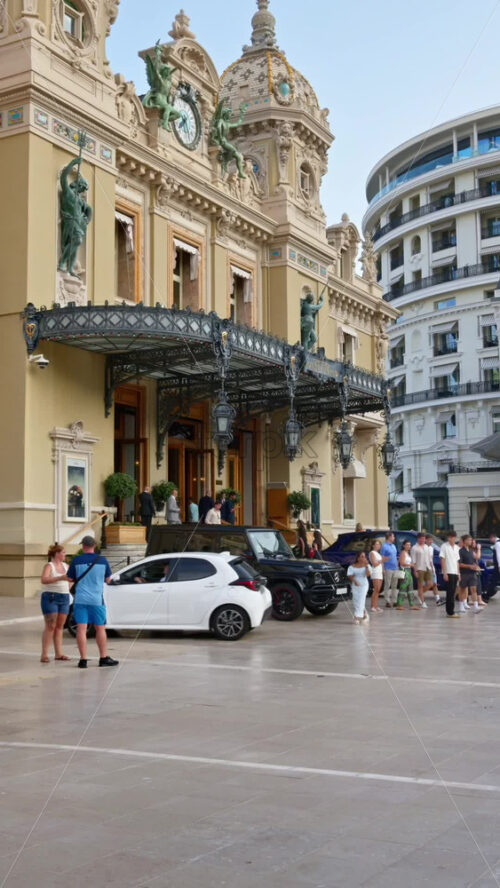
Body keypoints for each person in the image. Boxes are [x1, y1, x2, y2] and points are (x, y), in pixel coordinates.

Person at [66, 535, 118, 669]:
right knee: (100, 628)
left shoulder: (77, 560)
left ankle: (83, 660)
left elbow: (70, 579)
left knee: (81, 629)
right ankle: (103, 657)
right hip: (96, 600)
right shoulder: (102, 560)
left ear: (83, 546)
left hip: (80, 599)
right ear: (94, 546)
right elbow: (108, 580)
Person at [40, 544, 72, 663]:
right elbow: (44, 579)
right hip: (50, 596)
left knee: (60, 626)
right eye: (63, 552)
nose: (65, 554)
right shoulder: (49, 566)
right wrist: (60, 579)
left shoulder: (66, 566)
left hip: (64, 597)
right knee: (50, 625)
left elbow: (71, 579)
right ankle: (44, 654)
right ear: (57, 553)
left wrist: (68, 587)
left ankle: (59, 653)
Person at [458, 534, 483, 614]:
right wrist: (469, 566)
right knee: (462, 590)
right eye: (469, 540)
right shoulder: (460, 551)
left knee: (474, 590)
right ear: (464, 541)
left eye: (471, 540)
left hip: (472, 573)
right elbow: (459, 564)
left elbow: (476, 558)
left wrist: (475, 566)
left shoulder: (471, 550)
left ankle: (476, 607)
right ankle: (461, 606)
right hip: (464, 573)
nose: (471, 541)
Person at [439, 530, 460, 618]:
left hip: (455, 572)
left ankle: (452, 610)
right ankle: (450, 612)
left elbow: (457, 561)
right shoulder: (444, 546)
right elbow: (442, 559)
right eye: (450, 537)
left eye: (453, 537)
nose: (452, 539)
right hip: (448, 571)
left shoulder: (456, 547)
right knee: (450, 592)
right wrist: (444, 573)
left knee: (453, 591)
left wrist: (459, 573)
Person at [347, 551, 371, 624]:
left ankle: (357, 616)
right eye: (362, 556)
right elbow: (350, 575)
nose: (363, 558)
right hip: (355, 584)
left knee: (361, 599)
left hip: (364, 584)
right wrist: (354, 581)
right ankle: (364, 614)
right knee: (356, 600)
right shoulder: (352, 566)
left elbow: (368, 575)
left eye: (364, 556)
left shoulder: (367, 565)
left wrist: (367, 566)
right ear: (358, 558)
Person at [410, 532, 433, 608]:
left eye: (424, 538)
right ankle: (423, 602)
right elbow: (413, 561)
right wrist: (415, 570)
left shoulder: (426, 546)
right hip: (419, 568)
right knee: (420, 585)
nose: (423, 540)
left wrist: (431, 567)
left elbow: (429, 558)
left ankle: (420, 594)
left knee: (430, 583)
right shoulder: (414, 548)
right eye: (421, 538)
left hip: (427, 567)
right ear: (418, 539)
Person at [396, 540, 419, 610]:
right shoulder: (403, 553)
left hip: (409, 571)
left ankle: (412, 604)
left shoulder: (408, 553)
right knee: (403, 587)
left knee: (410, 587)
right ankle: (399, 604)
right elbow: (402, 563)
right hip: (404, 571)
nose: (409, 546)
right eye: (407, 545)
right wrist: (411, 565)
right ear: (403, 545)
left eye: (409, 545)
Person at [381, 531, 399, 608]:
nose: (394, 538)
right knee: (387, 585)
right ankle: (387, 601)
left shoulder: (394, 546)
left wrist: (397, 566)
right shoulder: (384, 546)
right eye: (393, 536)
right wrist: (383, 569)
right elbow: (382, 558)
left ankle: (394, 601)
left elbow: (395, 557)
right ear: (389, 537)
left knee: (394, 585)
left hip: (395, 568)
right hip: (388, 568)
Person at [425, 534, 443, 605]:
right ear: (426, 540)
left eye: (431, 540)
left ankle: (438, 599)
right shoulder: (424, 548)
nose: (431, 541)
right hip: (426, 569)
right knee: (429, 584)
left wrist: (432, 568)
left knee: (434, 584)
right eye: (429, 540)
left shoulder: (431, 548)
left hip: (432, 568)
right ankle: (420, 595)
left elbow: (431, 559)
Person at [368, 540, 384, 613]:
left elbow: (380, 563)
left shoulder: (378, 553)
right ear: (373, 545)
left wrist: (383, 570)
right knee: (376, 589)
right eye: (377, 544)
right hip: (375, 573)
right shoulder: (372, 553)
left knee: (378, 590)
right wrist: (381, 560)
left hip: (380, 573)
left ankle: (376, 606)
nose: (378, 546)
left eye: (379, 544)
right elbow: (374, 563)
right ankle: (372, 606)